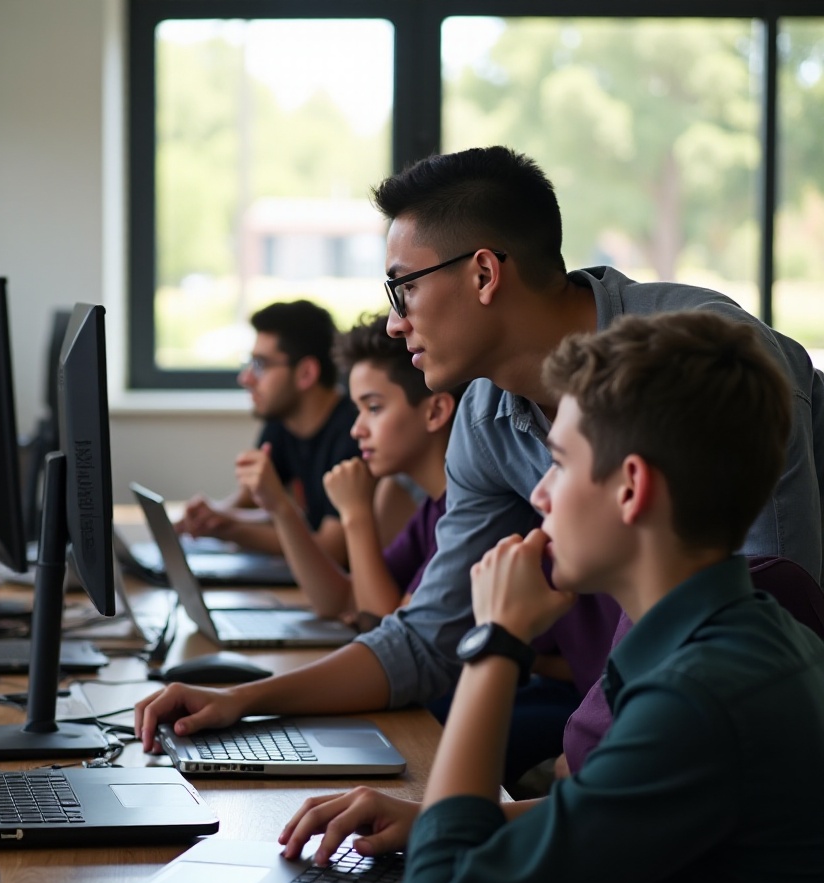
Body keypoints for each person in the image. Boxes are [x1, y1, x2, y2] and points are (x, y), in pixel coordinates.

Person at [136, 145, 824, 781]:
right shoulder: (484, 413)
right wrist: (243, 702)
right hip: (625, 739)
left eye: (403, 289)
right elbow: (428, 636)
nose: (396, 321)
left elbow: (782, 618)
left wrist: (568, 791)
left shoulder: (706, 363)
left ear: (485, 273)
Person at [278, 311, 824, 883]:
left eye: (560, 465)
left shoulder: (702, 696)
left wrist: (497, 642)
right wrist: (455, 819)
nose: (537, 495)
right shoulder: (723, 635)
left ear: (631, 488)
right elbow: (622, 810)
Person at [234, 312, 461, 621]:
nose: (356, 430)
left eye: (374, 408)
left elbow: (382, 629)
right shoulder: (429, 512)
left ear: (435, 412)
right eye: (358, 410)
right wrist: (281, 509)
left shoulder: (461, 515)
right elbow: (338, 602)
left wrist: (356, 514)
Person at [176, 299, 417, 567]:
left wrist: (229, 529)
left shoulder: (354, 434)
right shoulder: (282, 421)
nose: (245, 378)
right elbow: (253, 499)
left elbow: (332, 547)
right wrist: (216, 513)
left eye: (260, 364)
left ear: (305, 373)